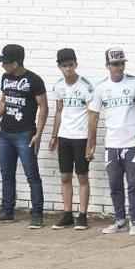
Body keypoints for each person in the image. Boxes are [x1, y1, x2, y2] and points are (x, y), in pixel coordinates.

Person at [87, 47, 135, 236]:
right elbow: (93, 116)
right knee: (114, 184)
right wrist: (91, 143)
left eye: (121, 63)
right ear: (107, 66)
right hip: (112, 144)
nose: (119, 67)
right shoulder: (101, 88)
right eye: (114, 64)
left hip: (132, 143)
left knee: (134, 184)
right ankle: (119, 220)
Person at [0, 44, 47, 228]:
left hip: (25, 133)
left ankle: (37, 213)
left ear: (15, 62)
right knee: (6, 174)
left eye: (5, 62)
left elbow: (43, 107)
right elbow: (4, 101)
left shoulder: (34, 80)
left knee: (32, 175)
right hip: (6, 133)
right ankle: (7, 211)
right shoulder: (5, 77)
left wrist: (38, 133)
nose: (2, 66)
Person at [49, 48, 95, 230]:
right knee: (65, 176)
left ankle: (82, 214)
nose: (68, 69)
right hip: (65, 136)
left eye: (71, 65)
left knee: (82, 176)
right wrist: (54, 135)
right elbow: (58, 111)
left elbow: (93, 115)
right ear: (59, 67)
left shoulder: (86, 86)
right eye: (64, 66)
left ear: (76, 64)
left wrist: (91, 143)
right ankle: (67, 213)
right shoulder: (59, 86)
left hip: (81, 137)